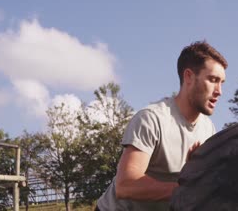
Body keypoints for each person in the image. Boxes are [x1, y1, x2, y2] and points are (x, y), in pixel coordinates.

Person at [96, 41, 228, 211]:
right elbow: (126, 185)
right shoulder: (151, 119)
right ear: (188, 77)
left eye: (222, 82)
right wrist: (186, 189)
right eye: (212, 80)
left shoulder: (208, 129)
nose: (219, 91)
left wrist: (191, 174)